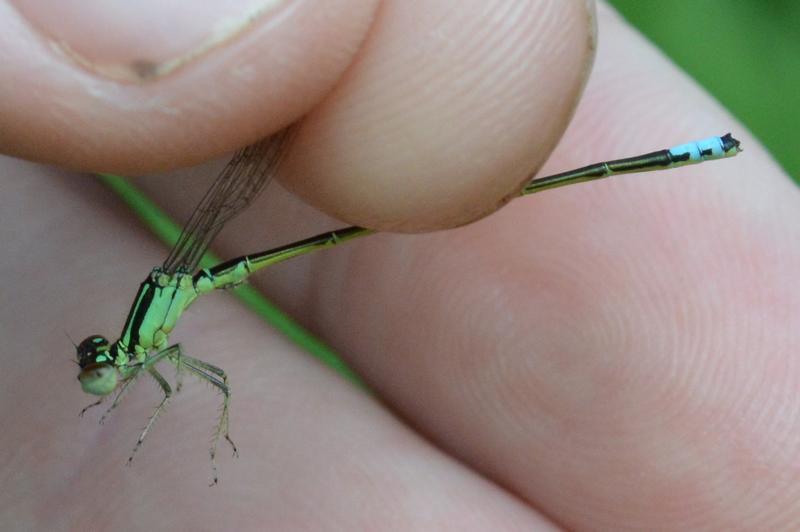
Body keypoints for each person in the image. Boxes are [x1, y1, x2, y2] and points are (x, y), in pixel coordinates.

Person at [1, 2, 798, 529]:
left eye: (102, 365)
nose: (104, 369)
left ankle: (687, 154)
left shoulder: (153, 325)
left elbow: (183, 385)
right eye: (101, 368)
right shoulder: (148, 349)